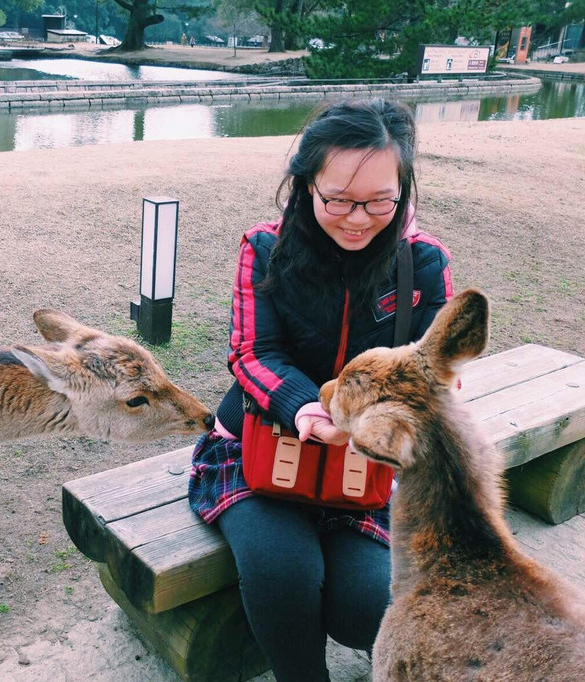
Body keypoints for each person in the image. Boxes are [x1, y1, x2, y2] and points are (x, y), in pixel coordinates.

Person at [188, 99, 453, 681]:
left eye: (380, 200)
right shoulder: (265, 247)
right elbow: (252, 353)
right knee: (283, 573)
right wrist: (308, 405)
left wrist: (361, 427)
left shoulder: (424, 263)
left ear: (404, 188)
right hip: (260, 443)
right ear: (307, 183)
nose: (358, 219)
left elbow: (434, 378)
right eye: (338, 199)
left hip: (364, 462)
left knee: (366, 610)